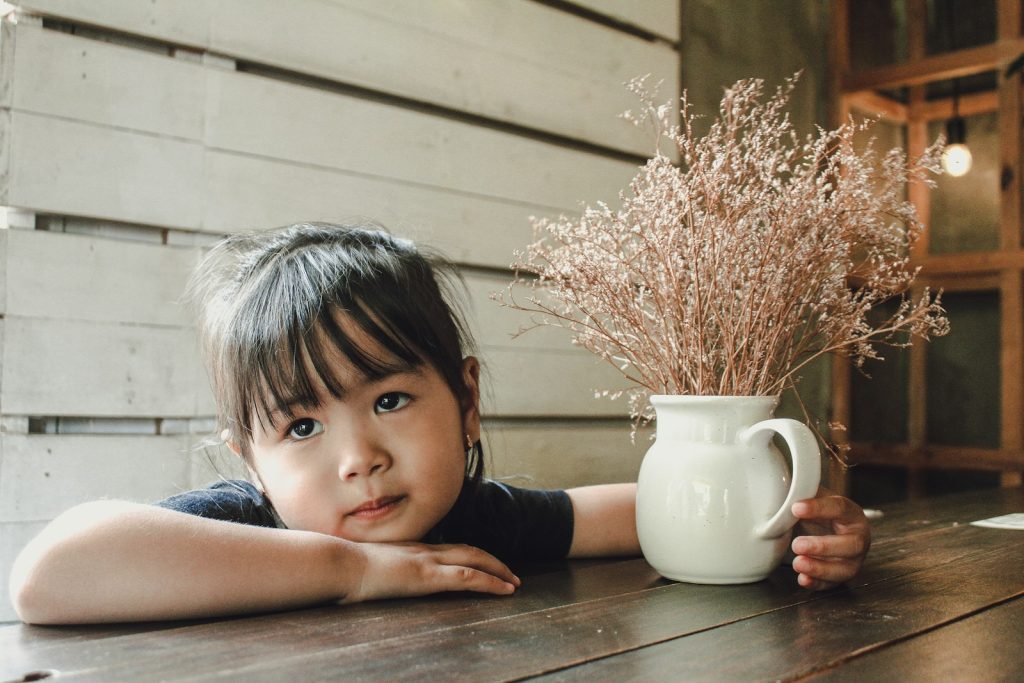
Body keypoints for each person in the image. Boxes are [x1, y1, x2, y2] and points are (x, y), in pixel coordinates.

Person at [9, 221, 871, 624]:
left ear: (466, 402)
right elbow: (47, 576)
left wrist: (796, 515)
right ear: (251, 457)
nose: (361, 458)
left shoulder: (472, 520)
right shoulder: (249, 524)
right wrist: (352, 570)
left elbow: (642, 513)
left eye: (389, 400)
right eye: (302, 427)